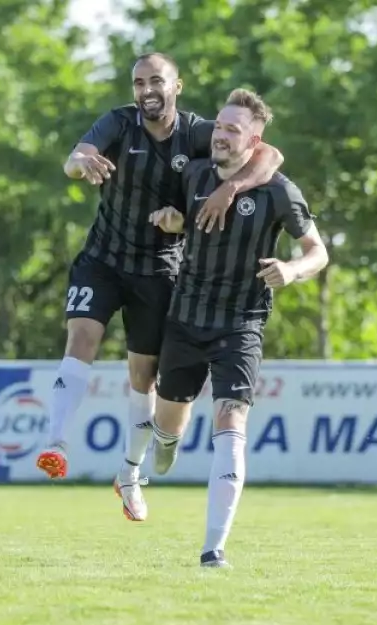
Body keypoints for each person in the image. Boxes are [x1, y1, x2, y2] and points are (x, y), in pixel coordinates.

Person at [35, 53, 284, 525]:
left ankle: (129, 475)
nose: (146, 89)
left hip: (158, 269)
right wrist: (79, 162)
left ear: (177, 86)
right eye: (138, 82)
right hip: (102, 260)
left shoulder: (196, 132)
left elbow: (270, 155)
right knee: (81, 337)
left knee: (143, 375)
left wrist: (228, 191)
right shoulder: (118, 123)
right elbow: (76, 158)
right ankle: (56, 442)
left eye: (156, 81)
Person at [148, 88, 329, 568]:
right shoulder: (195, 173)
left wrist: (291, 270)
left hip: (241, 323)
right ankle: (165, 442)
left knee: (230, 421)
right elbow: (181, 219)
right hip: (185, 319)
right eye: (219, 126)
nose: (221, 135)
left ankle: (213, 549)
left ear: (254, 139)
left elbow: (319, 251)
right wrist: (172, 222)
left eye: (232, 129)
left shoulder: (279, 191)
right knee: (167, 429)